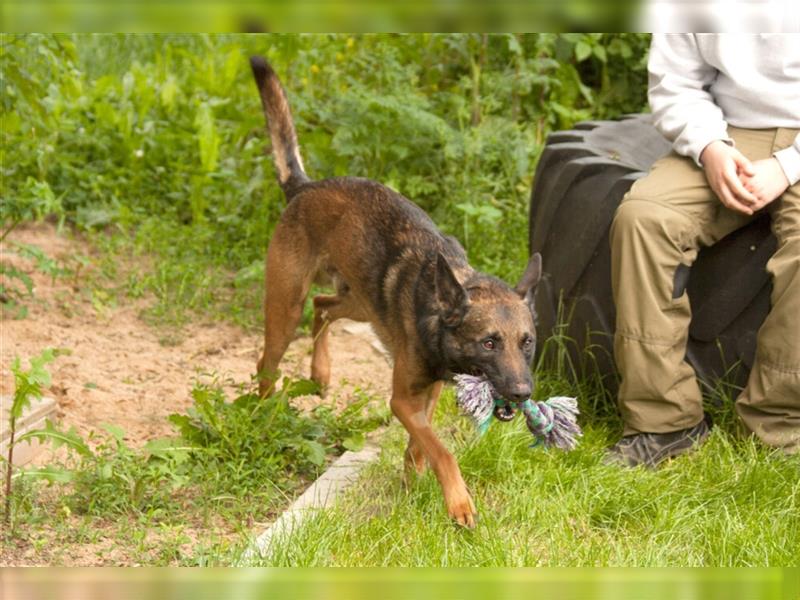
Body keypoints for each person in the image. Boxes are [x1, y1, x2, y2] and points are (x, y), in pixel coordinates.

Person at [606, 33, 800, 467]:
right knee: (644, 219)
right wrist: (711, 147)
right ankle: (663, 422)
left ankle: (782, 425)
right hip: (730, 132)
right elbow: (676, 82)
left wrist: (788, 167)